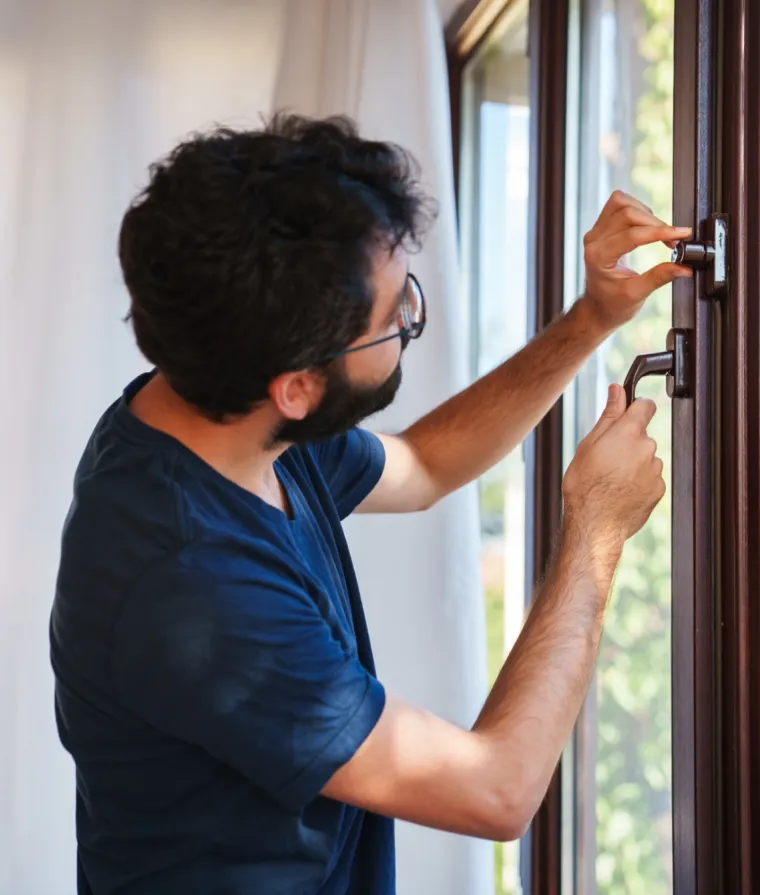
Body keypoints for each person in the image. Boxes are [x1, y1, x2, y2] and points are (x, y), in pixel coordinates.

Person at [50, 114, 693, 895]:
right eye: (395, 317)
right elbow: (498, 789)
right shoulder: (195, 588)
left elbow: (423, 464)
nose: (408, 321)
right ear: (297, 386)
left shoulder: (228, 411)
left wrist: (593, 318)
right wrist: (594, 532)